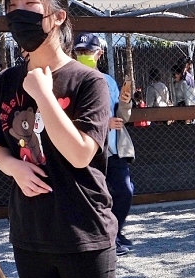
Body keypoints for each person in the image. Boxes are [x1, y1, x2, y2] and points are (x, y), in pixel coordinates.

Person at [0, 0, 118, 278]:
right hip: (29, 235)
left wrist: (43, 94)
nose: (18, 12)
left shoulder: (90, 82)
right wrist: (14, 167)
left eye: (29, 3)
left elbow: (80, 154)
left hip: (83, 233)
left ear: (58, 16)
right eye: (12, 5)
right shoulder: (4, 83)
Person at [73, 33, 135, 257]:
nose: (84, 55)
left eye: (88, 51)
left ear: (99, 53)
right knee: (98, 196)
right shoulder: (71, 79)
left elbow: (122, 116)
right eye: (80, 52)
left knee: (125, 191)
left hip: (114, 147)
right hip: (88, 149)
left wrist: (126, 104)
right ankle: (106, 240)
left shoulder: (108, 81)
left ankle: (114, 234)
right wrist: (103, 123)